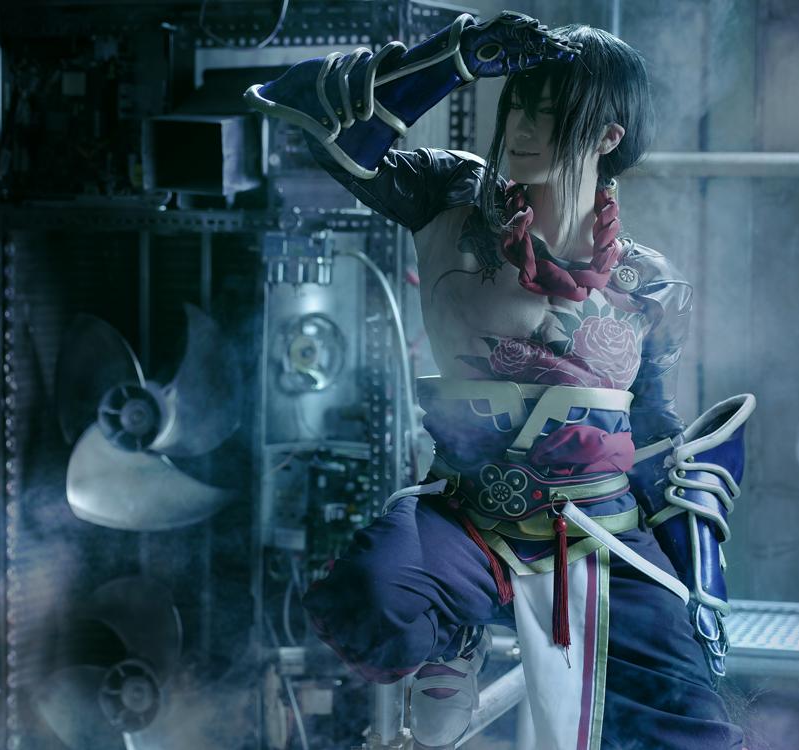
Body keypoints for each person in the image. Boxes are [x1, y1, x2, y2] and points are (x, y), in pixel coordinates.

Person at [245, 11, 755, 749]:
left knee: (694, 724)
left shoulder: (649, 283)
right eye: (518, 104)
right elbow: (316, 121)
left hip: (601, 529)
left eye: (547, 113)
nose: (519, 125)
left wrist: (696, 583)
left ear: (608, 136)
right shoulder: (450, 195)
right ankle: (453, 635)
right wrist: (452, 56)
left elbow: (652, 435)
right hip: (466, 514)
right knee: (371, 605)